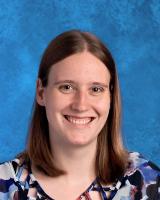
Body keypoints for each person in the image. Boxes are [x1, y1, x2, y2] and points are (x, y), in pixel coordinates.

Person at [0, 30, 160, 200]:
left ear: (111, 98)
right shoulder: (5, 185)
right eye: (67, 87)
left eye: (96, 89)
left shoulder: (146, 183)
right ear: (41, 93)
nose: (81, 105)